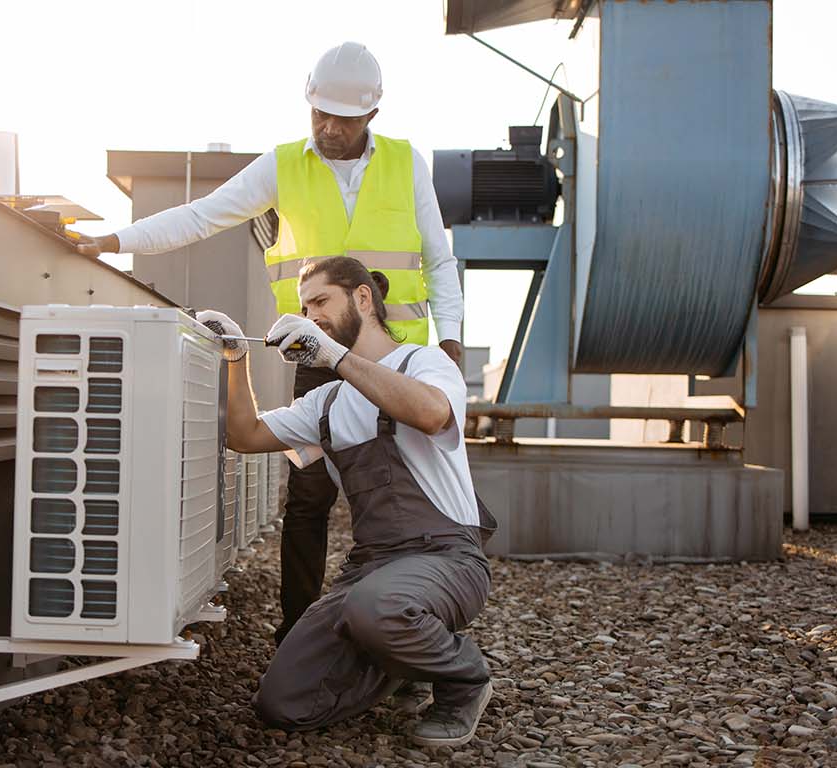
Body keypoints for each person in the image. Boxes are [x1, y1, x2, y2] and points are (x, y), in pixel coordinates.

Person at [65, 42, 465, 707]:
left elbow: (440, 259)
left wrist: (449, 345)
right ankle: (296, 639)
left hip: (401, 369)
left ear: (371, 113)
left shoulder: (406, 162)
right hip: (319, 369)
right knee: (307, 501)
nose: (329, 128)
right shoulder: (282, 165)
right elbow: (201, 216)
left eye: (343, 117)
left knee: (407, 511)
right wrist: (113, 241)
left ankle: (419, 664)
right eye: (320, 113)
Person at [195, 256, 494, 747]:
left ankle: (464, 680)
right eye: (304, 307)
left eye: (320, 302)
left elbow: (431, 413)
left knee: (377, 608)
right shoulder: (328, 401)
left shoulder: (424, 362)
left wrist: (334, 356)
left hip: (446, 557)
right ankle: (401, 659)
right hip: (371, 568)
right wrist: (234, 358)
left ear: (361, 298)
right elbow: (245, 435)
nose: (310, 316)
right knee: (282, 702)